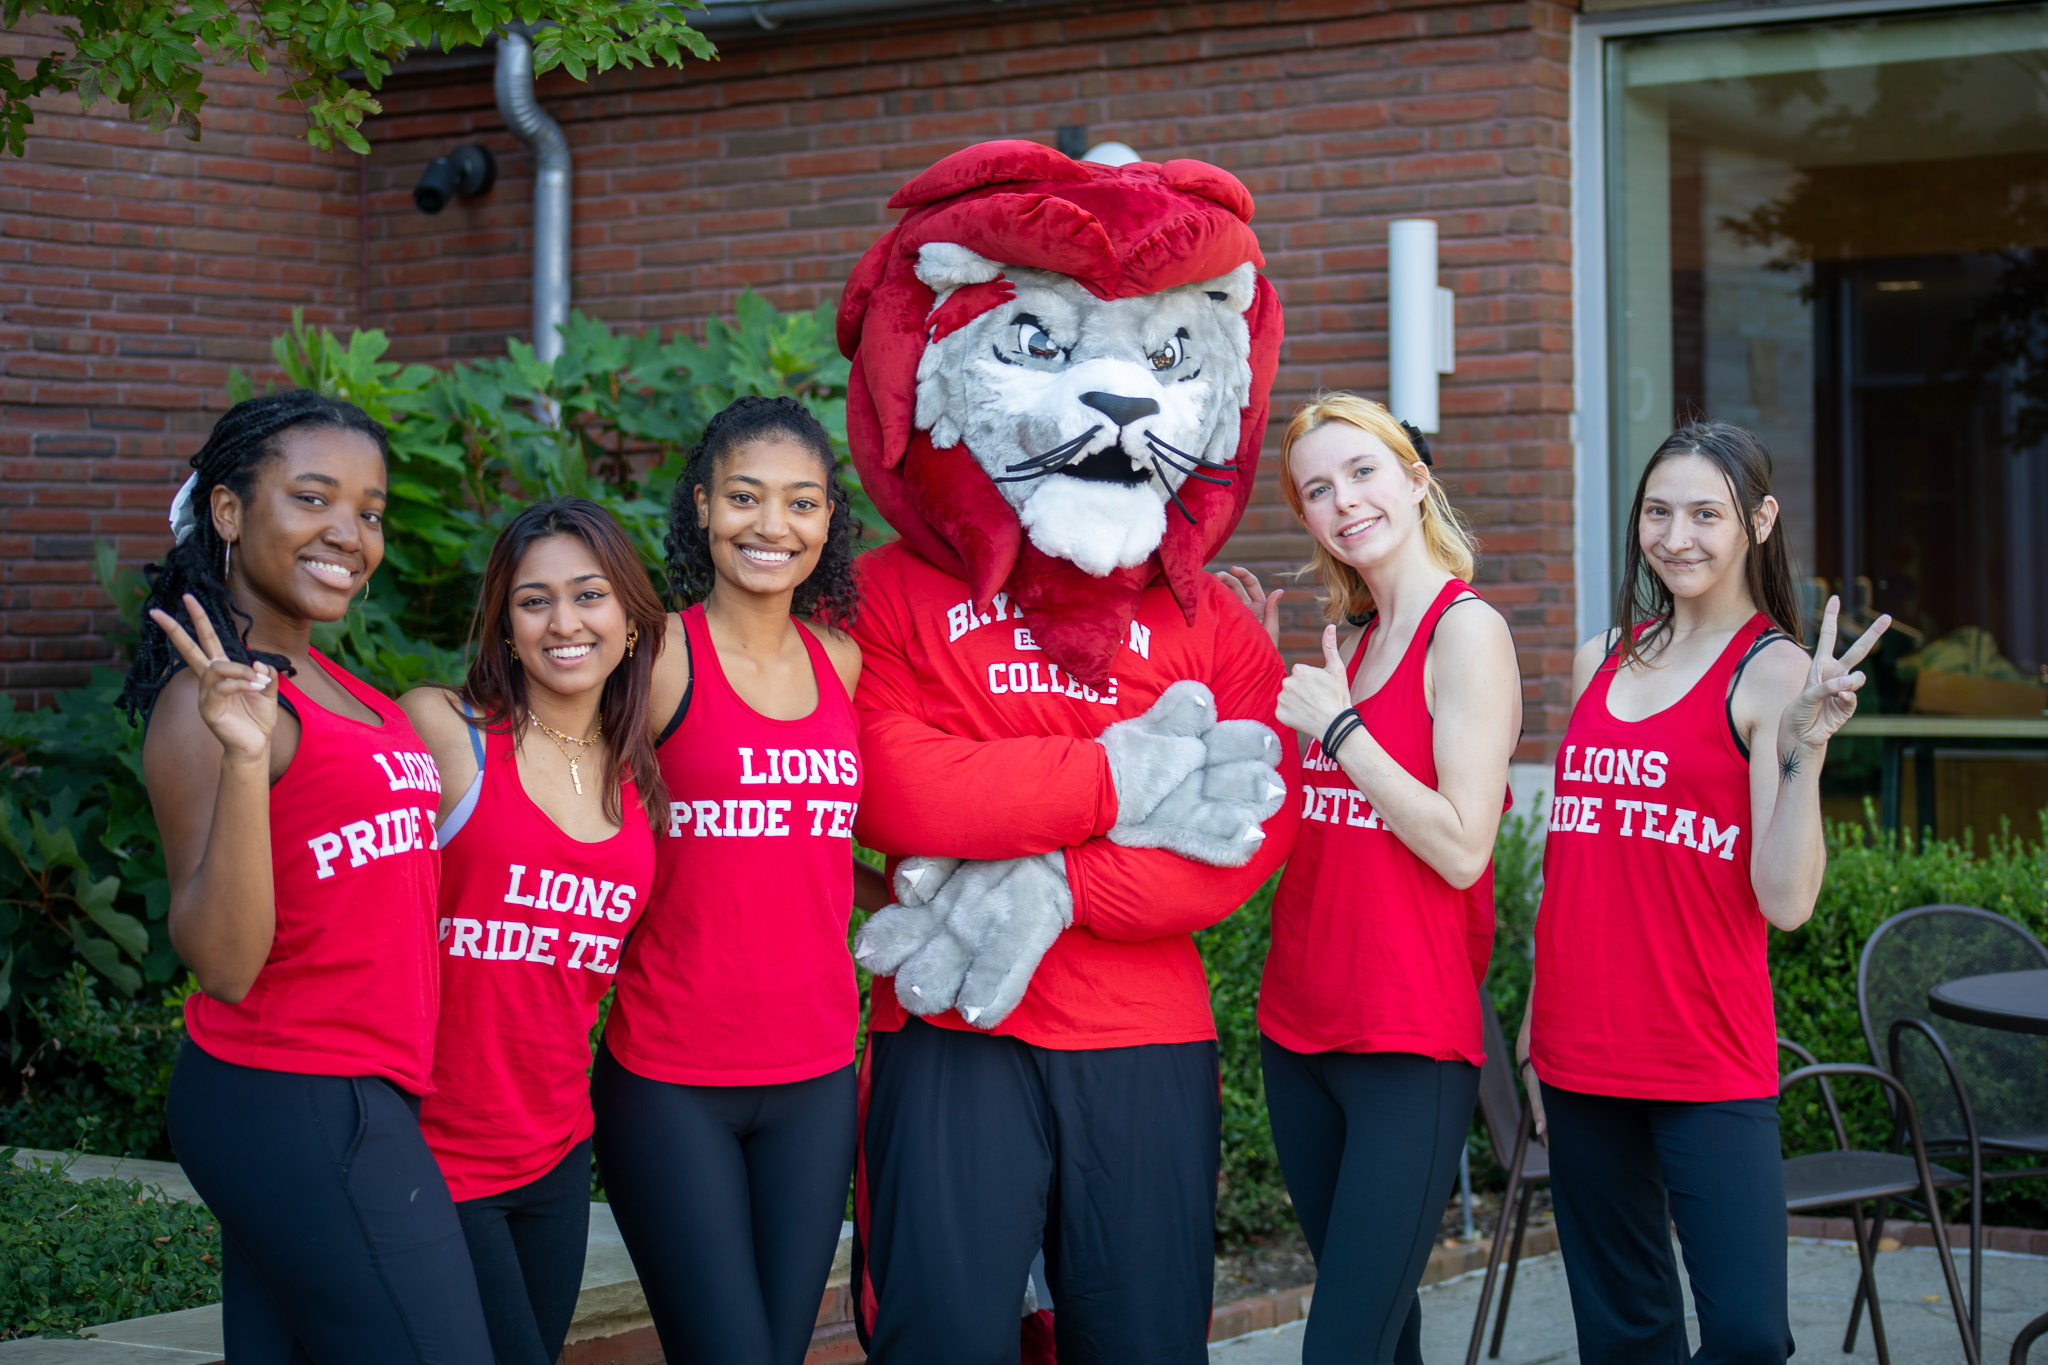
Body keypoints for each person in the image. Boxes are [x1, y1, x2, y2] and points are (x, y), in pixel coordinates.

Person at [122, 391, 492, 1364]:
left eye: (368, 512)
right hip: (294, 1091)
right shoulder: (210, 710)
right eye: (313, 499)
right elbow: (224, 962)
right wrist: (244, 761)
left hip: (366, 1090)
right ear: (232, 512)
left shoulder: (356, 695)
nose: (348, 534)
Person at [1518, 421, 1888, 1365]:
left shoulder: (1776, 674)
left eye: (1705, 514)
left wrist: (1805, 754)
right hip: (1580, 1046)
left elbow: (1787, 899)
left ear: (1758, 521)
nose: (1676, 536)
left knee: (1748, 1333)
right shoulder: (1602, 655)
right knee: (1624, 1329)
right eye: (1658, 511)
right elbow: (1573, 859)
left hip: (1704, 1052)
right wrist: (1534, 1016)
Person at [1215, 395, 1521, 1365]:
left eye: (1360, 472)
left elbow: (1463, 846)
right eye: (1316, 489)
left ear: (1412, 478)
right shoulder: (1337, 647)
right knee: (1386, 1341)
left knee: (1336, 1348)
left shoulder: (1464, 634)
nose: (1342, 501)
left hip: (1407, 1045)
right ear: (1303, 518)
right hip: (1295, 1033)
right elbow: (1288, 825)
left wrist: (1339, 731)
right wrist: (1254, 684)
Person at [591, 395, 865, 1365]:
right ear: (702, 506)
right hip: (671, 1078)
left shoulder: (843, 664)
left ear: (829, 519)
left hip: (818, 1074)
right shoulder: (654, 655)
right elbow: (564, 813)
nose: (770, 526)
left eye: (801, 503)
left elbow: (819, 841)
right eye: (745, 497)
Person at [399, 498, 667, 1365]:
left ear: (629, 620)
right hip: (431, 1150)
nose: (564, 622)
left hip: (554, 1151)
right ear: (504, 626)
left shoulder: (637, 781)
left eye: (589, 595)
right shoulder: (445, 732)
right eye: (533, 600)